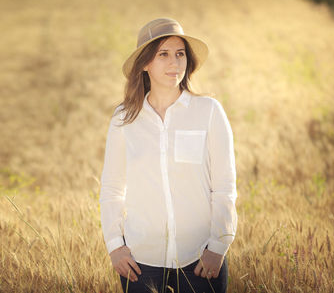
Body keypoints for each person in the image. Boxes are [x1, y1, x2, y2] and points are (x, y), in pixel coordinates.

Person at [99, 18, 238, 293]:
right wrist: (115, 246)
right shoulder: (124, 119)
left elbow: (224, 186)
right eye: (163, 54)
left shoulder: (209, 112)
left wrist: (218, 245)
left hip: (201, 259)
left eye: (180, 54)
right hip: (140, 263)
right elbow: (112, 188)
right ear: (145, 64)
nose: (174, 63)